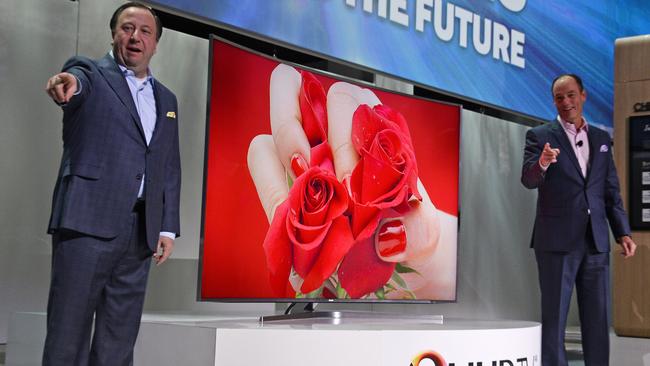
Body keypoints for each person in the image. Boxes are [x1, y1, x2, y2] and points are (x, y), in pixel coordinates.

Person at [43, 2, 181, 365]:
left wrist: (167, 227)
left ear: (155, 43)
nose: (135, 37)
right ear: (114, 34)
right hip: (86, 224)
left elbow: (168, 166)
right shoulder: (90, 72)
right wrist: (68, 84)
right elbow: (76, 80)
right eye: (127, 28)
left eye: (145, 31)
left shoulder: (167, 99)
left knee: (118, 341)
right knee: (67, 335)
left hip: (139, 234)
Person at [521, 74, 636, 366]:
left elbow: (610, 189)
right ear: (554, 102)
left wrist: (622, 232)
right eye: (559, 98)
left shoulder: (600, 139)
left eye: (571, 95)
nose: (566, 102)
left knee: (597, 319)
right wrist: (543, 162)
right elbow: (529, 179)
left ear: (583, 96)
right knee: (555, 318)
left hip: (595, 240)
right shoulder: (540, 136)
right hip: (557, 241)